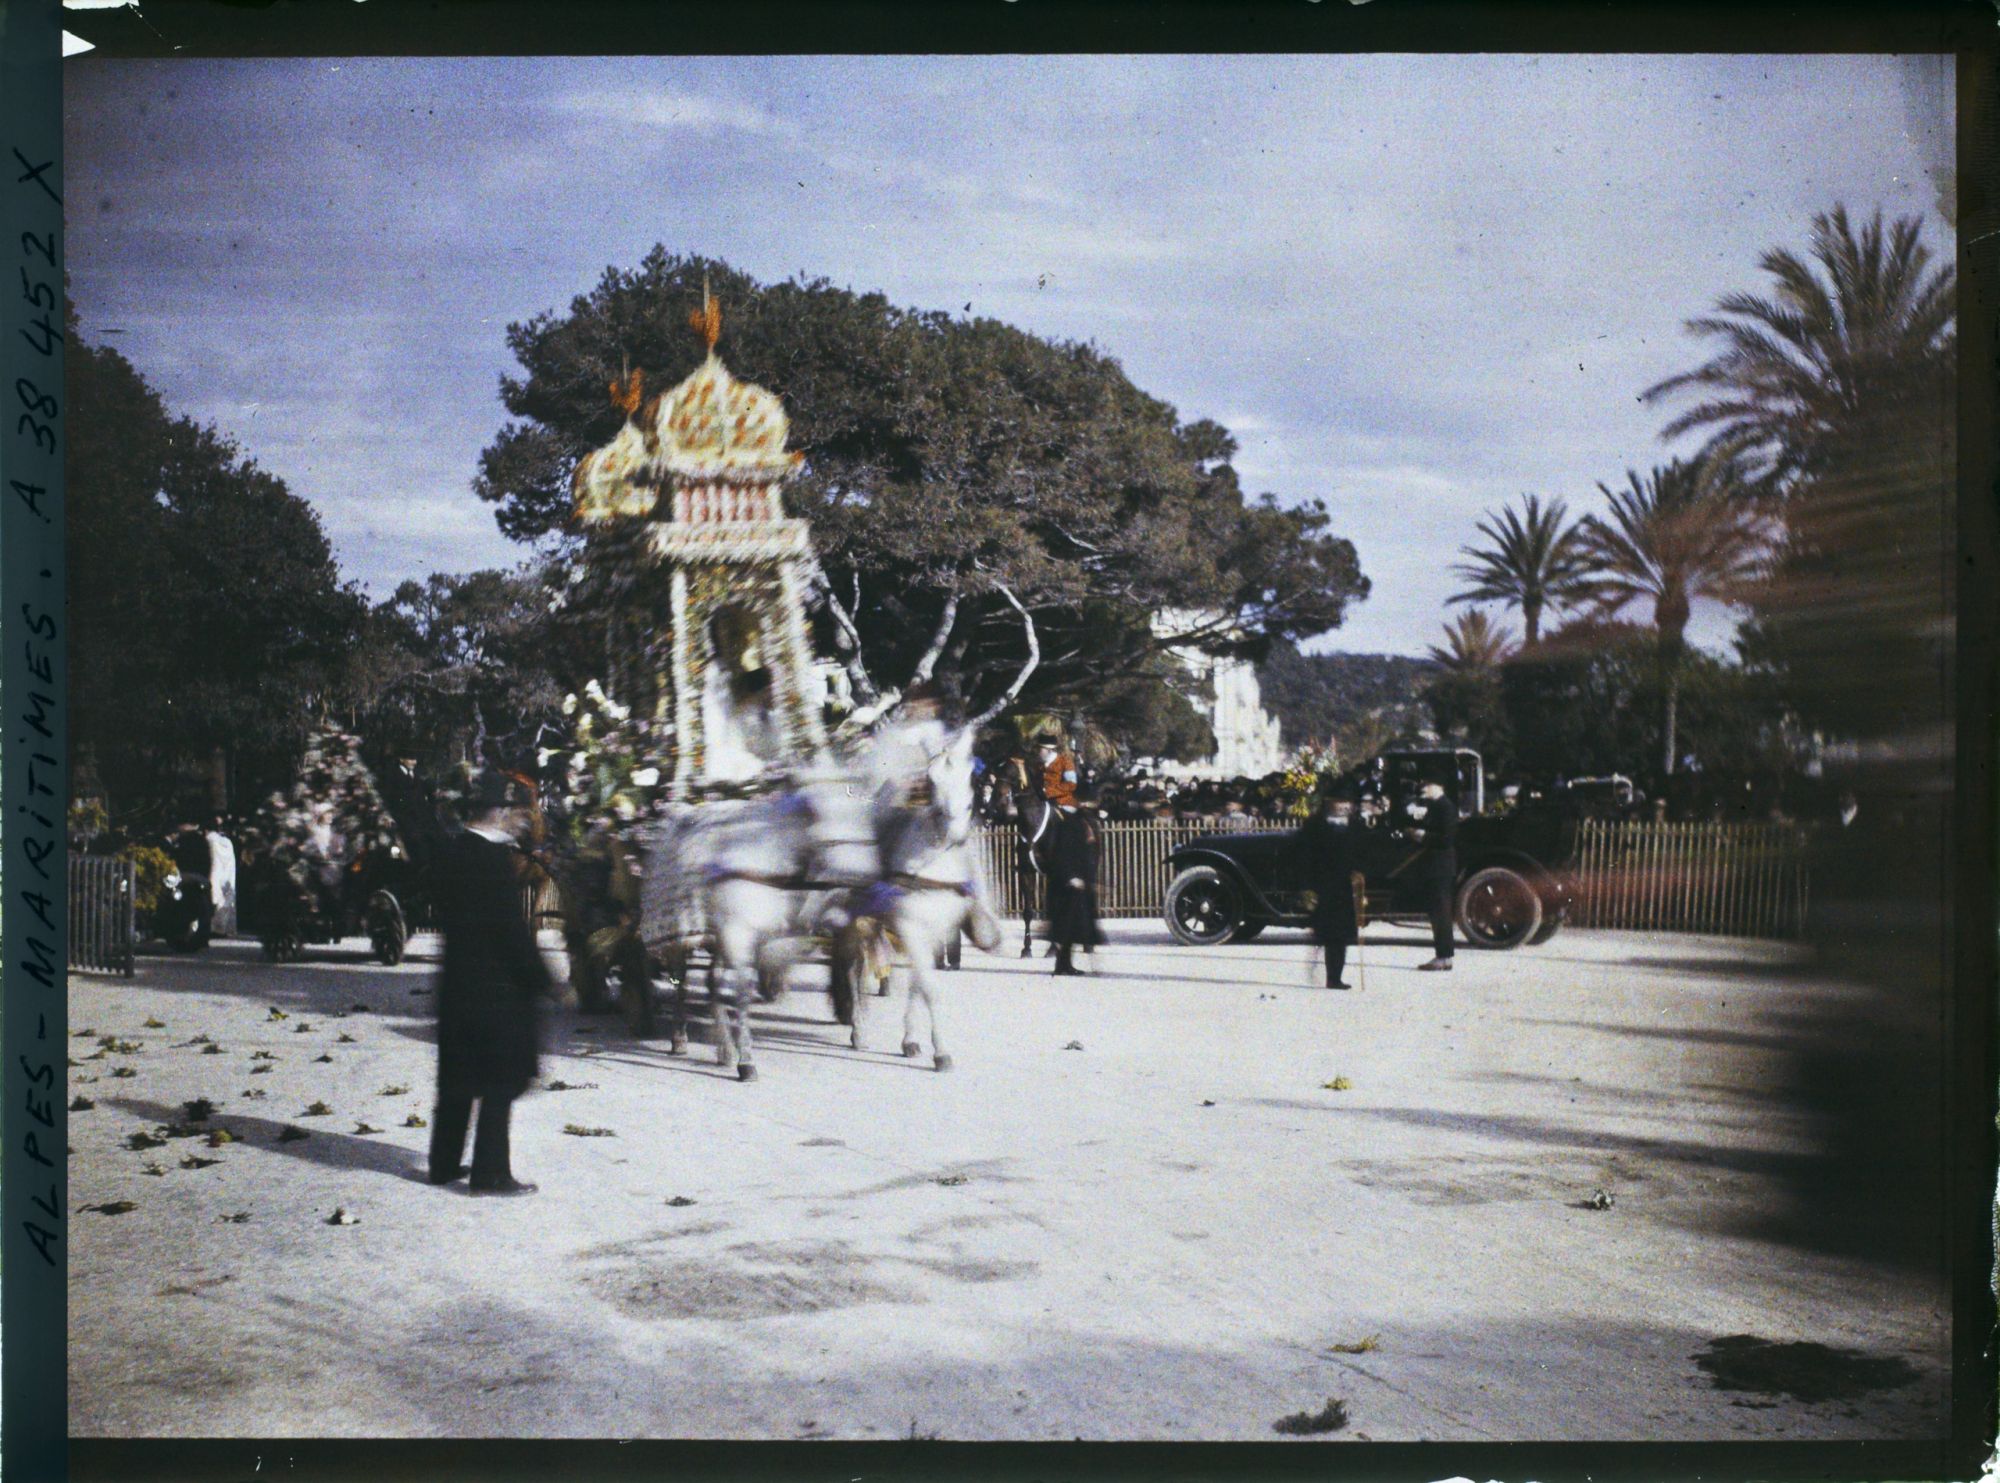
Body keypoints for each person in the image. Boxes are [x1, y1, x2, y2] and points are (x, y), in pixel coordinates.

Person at [428, 769, 551, 1196]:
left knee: (457, 1079)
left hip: (456, 985)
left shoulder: (453, 849)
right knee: (503, 1079)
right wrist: (543, 978)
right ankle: (491, 1173)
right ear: (499, 812)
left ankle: (442, 1163)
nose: (516, 819)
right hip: (494, 993)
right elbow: (511, 933)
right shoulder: (494, 862)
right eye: (513, 811)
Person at [1290, 794, 1360, 989]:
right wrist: (1305, 886)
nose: (1344, 805)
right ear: (1330, 802)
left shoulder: (1355, 825)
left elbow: (1363, 853)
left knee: (1341, 936)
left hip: (1345, 887)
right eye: (1340, 801)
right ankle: (1326, 973)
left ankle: (1335, 977)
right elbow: (1303, 856)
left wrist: (1360, 874)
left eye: (1347, 801)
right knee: (1328, 933)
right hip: (1322, 885)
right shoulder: (1315, 825)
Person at [1046, 786, 1103, 977]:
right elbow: (1062, 853)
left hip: (1082, 883)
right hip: (1068, 884)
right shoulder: (1069, 823)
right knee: (1065, 926)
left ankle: (1066, 965)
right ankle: (1061, 965)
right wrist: (1071, 877)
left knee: (1075, 927)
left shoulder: (1086, 821)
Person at [1403, 780, 1458, 971]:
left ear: (1439, 786)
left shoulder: (1445, 807)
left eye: (1427, 785)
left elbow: (1446, 838)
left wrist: (1419, 834)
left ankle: (1444, 957)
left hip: (1440, 866)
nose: (1423, 789)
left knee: (1441, 912)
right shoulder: (1437, 806)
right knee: (1437, 912)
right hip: (1436, 866)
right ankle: (1443, 955)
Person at [1036, 735, 1079, 811]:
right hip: (1042, 803)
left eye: (1040, 749)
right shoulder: (1039, 764)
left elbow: (1071, 784)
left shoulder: (1066, 762)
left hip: (1063, 803)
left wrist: (1047, 791)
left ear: (1049, 750)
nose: (1037, 752)